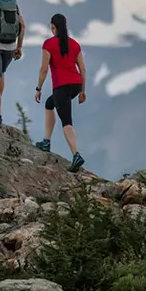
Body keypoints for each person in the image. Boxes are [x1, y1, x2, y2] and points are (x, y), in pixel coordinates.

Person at [34, 13, 87, 172]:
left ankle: (76, 154)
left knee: (66, 121)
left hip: (62, 86)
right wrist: (83, 91)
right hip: (76, 85)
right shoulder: (75, 44)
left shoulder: (48, 44)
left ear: (53, 27)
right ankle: (46, 141)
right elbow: (82, 68)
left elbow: (44, 70)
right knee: (50, 103)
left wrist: (38, 88)